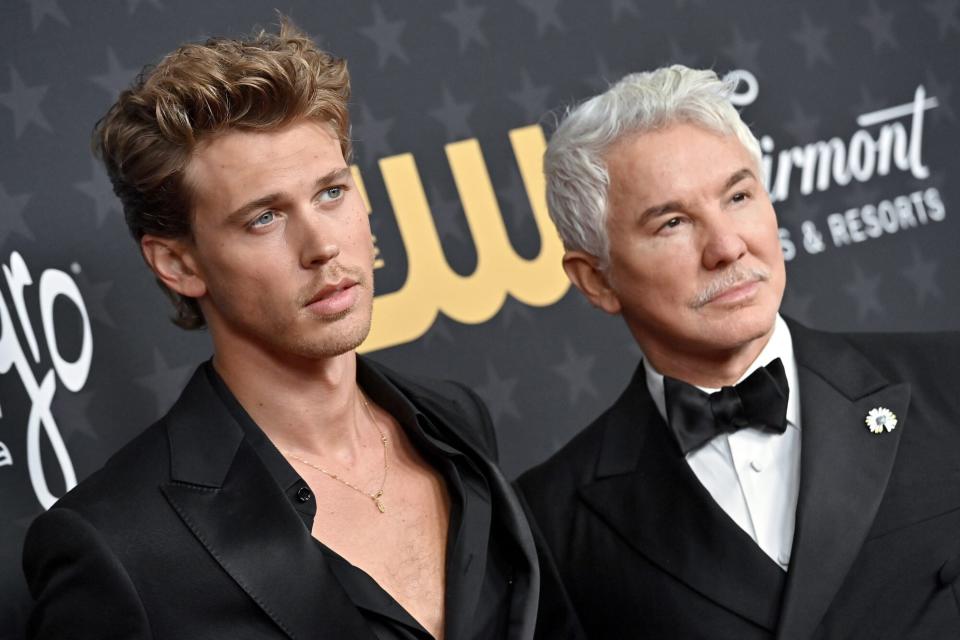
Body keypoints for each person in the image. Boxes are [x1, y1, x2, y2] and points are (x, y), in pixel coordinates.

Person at [22, 21, 576, 640]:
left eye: (332, 192)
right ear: (178, 264)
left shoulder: (454, 422)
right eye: (263, 217)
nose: (323, 246)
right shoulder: (117, 544)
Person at [517, 65, 960, 639]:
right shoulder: (550, 523)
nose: (727, 247)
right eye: (673, 223)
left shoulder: (949, 383)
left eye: (738, 196)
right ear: (596, 280)